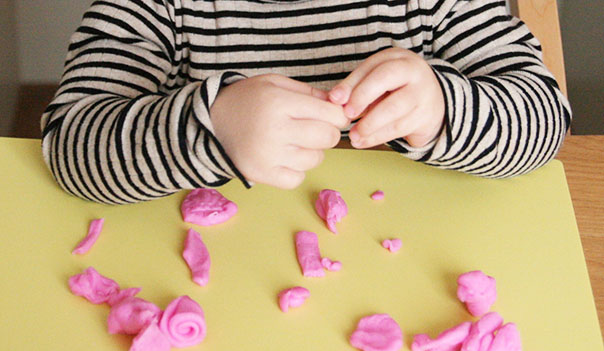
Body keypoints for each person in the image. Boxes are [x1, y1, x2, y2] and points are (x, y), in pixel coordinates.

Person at [41, 0, 571, 205]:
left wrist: (441, 110)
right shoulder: (154, 8)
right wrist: (211, 127)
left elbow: (545, 119)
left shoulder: (440, 4)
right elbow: (71, 149)